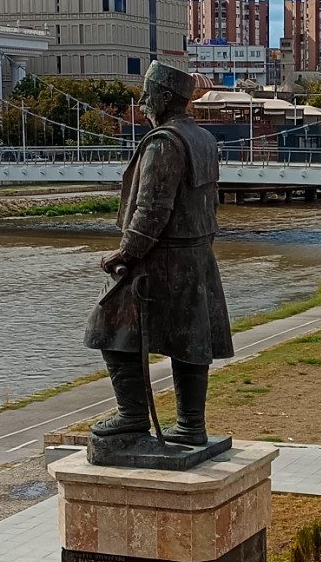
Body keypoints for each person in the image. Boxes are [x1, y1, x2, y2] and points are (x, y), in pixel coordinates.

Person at [84, 61, 234, 447]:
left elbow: (152, 209)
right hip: (197, 255)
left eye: (147, 94)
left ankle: (133, 417)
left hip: (162, 259)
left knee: (107, 325)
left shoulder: (164, 142)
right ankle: (190, 425)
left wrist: (126, 253)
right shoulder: (203, 139)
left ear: (164, 98)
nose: (142, 101)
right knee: (190, 338)